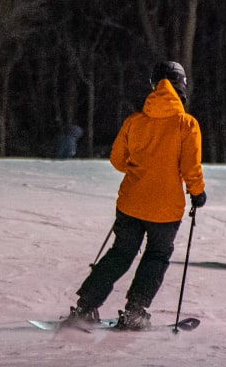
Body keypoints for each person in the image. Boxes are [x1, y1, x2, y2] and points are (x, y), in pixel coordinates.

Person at [69, 61, 206, 330]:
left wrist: (139, 167)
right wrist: (197, 193)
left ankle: (85, 307)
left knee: (120, 253)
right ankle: (134, 311)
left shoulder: (135, 121)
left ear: (154, 85)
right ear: (181, 86)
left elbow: (118, 160)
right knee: (156, 256)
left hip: (131, 203)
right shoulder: (186, 124)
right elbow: (191, 168)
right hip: (165, 210)